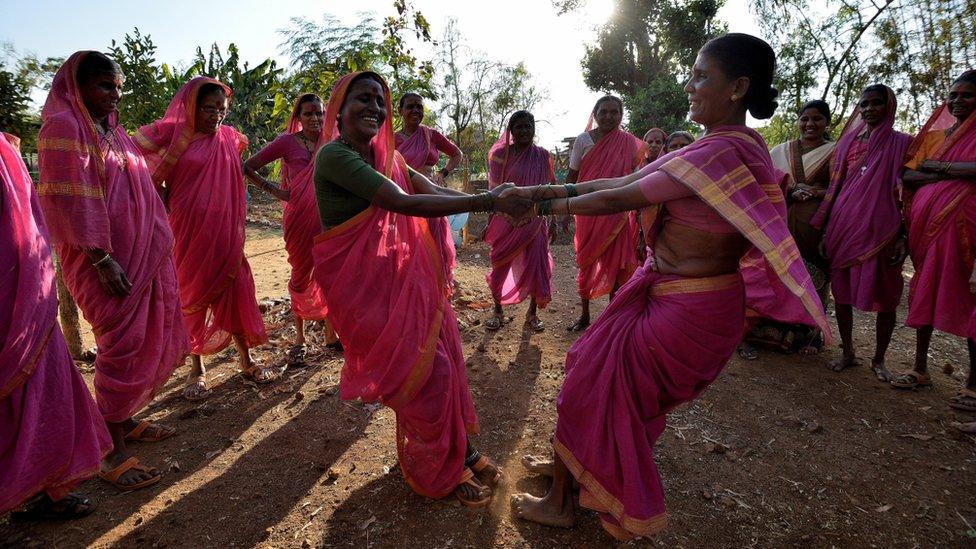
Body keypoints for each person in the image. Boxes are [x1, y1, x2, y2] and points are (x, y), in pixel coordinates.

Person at [506, 34, 830, 540]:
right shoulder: (717, 149)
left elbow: (624, 197)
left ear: (738, 87)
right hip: (671, 293)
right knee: (589, 374)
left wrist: (542, 203)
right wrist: (542, 192)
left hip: (688, 309)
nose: (689, 85)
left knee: (590, 388)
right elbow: (613, 183)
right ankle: (570, 472)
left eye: (702, 75)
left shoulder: (721, 152)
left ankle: (562, 500)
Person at [311, 72, 531, 507]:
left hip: (402, 279)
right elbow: (403, 202)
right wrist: (489, 202)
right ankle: (438, 470)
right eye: (363, 99)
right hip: (363, 289)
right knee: (426, 376)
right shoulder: (334, 157)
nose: (375, 107)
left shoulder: (385, 153)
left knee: (442, 361)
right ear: (339, 108)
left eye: (380, 100)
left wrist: (494, 196)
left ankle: (461, 452)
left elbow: (426, 187)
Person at [38, 51, 189, 491]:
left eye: (117, 87)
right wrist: (101, 258)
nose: (114, 95)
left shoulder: (113, 129)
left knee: (138, 340)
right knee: (119, 346)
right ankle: (112, 452)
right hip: (105, 262)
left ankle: (125, 420)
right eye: (104, 86)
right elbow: (68, 202)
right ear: (77, 86)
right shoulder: (65, 127)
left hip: (139, 255)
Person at [135, 77, 273, 401]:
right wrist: (164, 201)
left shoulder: (228, 138)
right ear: (192, 108)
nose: (216, 115)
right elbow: (142, 166)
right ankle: (196, 368)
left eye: (221, 109)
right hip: (186, 230)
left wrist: (275, 190)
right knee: (191, 294)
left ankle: (246, 360)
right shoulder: (174, 137)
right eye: (208, 108)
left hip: (226, 231)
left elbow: (238, 169)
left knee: (236, 288)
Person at [1, 130, 112, 519]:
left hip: (26, 294)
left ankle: (43, 490)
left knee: (39, 387)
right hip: (12, 296)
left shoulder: (6, 150)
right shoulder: (60, 131)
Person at [811, 84, 911, 380]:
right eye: (864, 104)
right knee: (841, 294)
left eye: (876, 103)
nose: (868, 109)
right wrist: (827, 231)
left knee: (887, 297)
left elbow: (907, 192)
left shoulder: (903, 144)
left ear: (889, 107)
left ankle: (879, 360)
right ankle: (848, 352)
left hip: (883, 231)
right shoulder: (846, 144)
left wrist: (903, 235)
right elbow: (835, 187)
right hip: (844, 226)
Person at [890, 70, 976, 404]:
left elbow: (925, 171)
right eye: (953, 95)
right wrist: (956, 174)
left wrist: (938, 169)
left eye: (966, 95)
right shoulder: (936, 135)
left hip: (966, 230)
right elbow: (908, 173)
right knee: (923, 290)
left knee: (970, 300)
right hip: (926, 231)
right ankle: (919, 367)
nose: (957, 101)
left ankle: (972, 383)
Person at [243, 93, 341, 364]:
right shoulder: (287, 142)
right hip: (298, 218)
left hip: (327, 216)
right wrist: (276, 191)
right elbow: (248, 166)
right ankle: (300, 337)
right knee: (300, 273)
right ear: (298, 117)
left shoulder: (331, 142)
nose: (315, 118)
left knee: (329, 271)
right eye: (308, 113)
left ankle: (331, 334)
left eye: (320, 113)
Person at [741, 100, 834, 358]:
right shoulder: (781, 150)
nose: (810, 124)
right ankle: (768, 330)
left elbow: (842, 189)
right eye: (805, 119)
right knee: (776, 275)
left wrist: (815, 191)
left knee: (811, 278)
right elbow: (764, 182)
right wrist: (790, 188)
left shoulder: (836, 152)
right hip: (780, 224)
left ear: (827, 122)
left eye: (817, 119)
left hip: (814, 227)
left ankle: (808, 335)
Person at [564, 95, 644, 331]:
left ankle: (611, 317)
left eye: (614, 112)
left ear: (621, 115)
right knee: (586, 260)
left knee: (618, 265)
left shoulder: (630, 143)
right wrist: (565, 210)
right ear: (595, 115)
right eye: (604, 112)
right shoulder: (583, 140)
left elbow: (635, 178)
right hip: (588, 211)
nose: (609, 116)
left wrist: (638, 213)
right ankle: (585, 315)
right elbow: (572, 177)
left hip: (618, 212)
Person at [484, 110, 555, 332]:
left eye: (528, 126)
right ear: (511, 131)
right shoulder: (500, 156)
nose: (524, 130)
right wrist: (490, 220)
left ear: (534, 129)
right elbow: (493, 194)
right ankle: (497, 310)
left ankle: (532, 314)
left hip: (535, 220)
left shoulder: (543, 156)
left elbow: (549, 189)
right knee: (499, 262)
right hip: (505, 219)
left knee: (537, 264)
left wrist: (552, 220)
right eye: (519, 127)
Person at [395, 92, 464, 291]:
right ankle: (412, 290)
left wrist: (442, 174)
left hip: (431, 195)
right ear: (400, 111)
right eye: (410, 106)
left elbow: (456, 154)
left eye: (419, 107)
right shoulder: (392, 139)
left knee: (435, 241)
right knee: (409, 244)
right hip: (405, 198)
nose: (416, 110)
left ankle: (436, 291)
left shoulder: (430, 134)